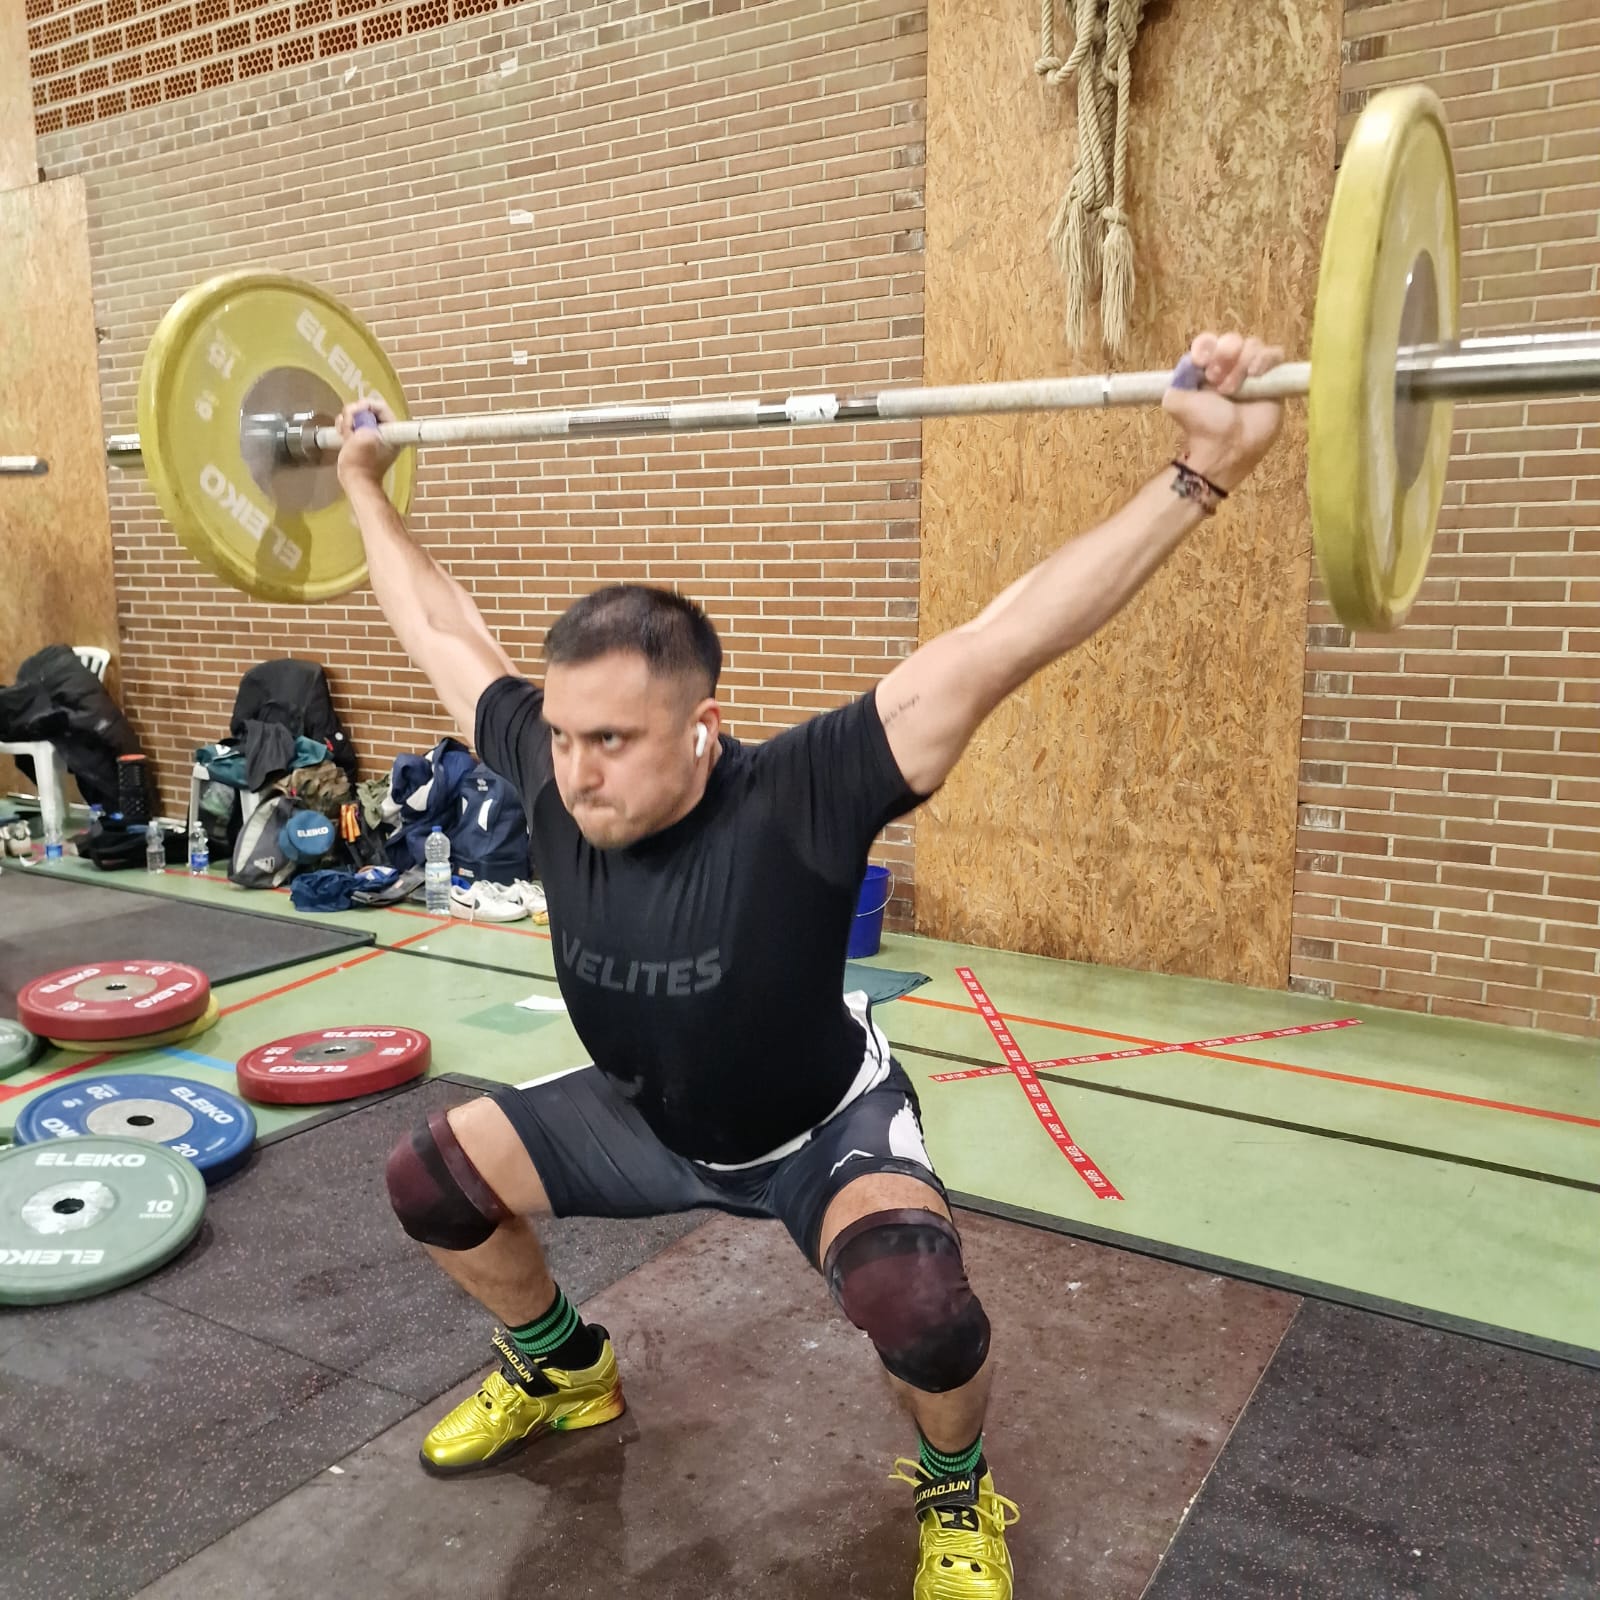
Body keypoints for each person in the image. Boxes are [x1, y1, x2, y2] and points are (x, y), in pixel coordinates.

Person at [334, 330, 1284, 1599]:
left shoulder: (806, 790)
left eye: (610, 739)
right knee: (429, 1178)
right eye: (561, 737)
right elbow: (441, 629)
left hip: (818, 1129)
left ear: (702, 729)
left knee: (923, 1312)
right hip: (642, 1118)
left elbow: (1008, 634)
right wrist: (357, 489)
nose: (575, 771)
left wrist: (1196, 477)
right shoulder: (551, 768)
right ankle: (563, 1366)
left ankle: (956, 1493)